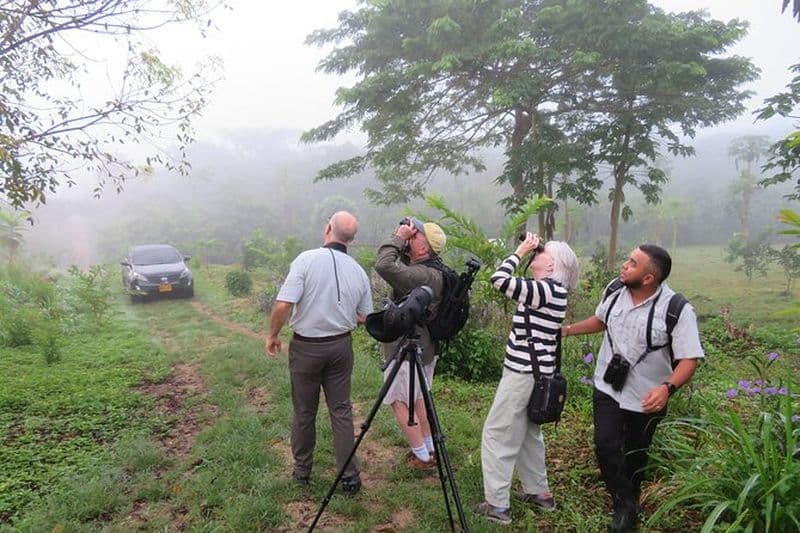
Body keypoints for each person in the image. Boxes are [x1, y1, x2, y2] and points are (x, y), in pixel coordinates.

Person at [562, 244, 704, 532]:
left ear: (649, 277)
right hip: (607, 385)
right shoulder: (615, 289)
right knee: (606, 445)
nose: (624, 265)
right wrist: (566, 330)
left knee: (637, 452)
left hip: (647, 396)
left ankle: (631, 492)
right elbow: (602, 321)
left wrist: (666, 389)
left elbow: (689, 360)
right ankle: (624, 505)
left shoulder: (677, 309)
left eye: (632, 262)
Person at [474, 232, 579, 526]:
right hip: (537, 373)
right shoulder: (551, 290)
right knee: (529, 437)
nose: (537, 252)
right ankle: (539, 493)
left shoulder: (545, 290)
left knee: (498, 434)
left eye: (544, 252)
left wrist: (520, 250)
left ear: (552, 266)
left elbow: (499, 279)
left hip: (522, 375)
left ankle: (497, 505)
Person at [265, 211, 373, 495]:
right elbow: (365, 316)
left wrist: (273, 335)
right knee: (341, 411)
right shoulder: (359, 271)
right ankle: (349, 477)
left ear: (328, 229)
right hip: (341, 347)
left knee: (304, 411)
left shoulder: (306, 260)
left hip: (306, 348)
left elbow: (283, 305)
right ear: (351, 239)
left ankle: (302, 472)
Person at [374, 217, 447, 470]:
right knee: (418, 399)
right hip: (425, 348)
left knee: (398, 400)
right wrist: (406, 242)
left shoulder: (421, 274)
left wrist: (398, 237)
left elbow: (384, 265)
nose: (410, 236)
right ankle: (427, 450)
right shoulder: (433, 271)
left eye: (415, 236)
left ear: (425, 248)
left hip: (407, 350)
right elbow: (402, 270)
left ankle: (421, 457)